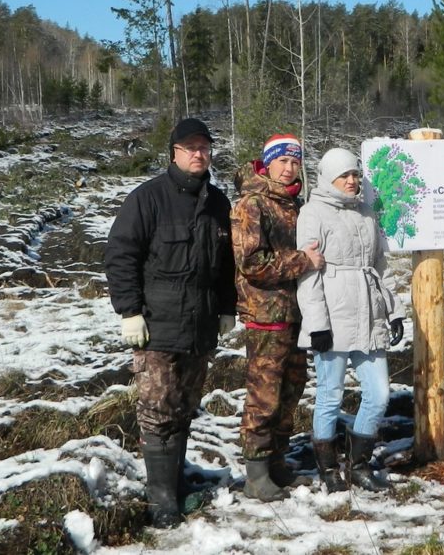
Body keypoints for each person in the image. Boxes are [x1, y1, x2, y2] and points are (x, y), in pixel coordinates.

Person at [104, 117, 238, 528]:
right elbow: (120, 255)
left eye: (204, 147)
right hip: (157, 325)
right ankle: (161, 498)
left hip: (199, 326)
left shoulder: (217, 202)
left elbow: (225, 265)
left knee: (183, 408)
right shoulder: (147, 199)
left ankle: (176, 485)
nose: (199, 153)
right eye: (190, 147)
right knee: (157, 410)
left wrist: (227, 309)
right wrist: (129, 311)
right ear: (174, 153)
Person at [296, 147, 405, 492]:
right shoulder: (312, 213)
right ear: (329, 178)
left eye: (355, 174)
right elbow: (308, 276)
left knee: (379, 394)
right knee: (330, 395)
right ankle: (329, 470)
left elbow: (380, 267)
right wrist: (317, 325)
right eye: (345, 175)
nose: (352, 180)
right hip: (333, 316)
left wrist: (394, 309)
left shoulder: (367, 214)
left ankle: (358, 465)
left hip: (369, 314)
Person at [232, 134, 323, 501]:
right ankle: (255, 474)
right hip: (266, 315)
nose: (289, 168)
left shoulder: (295, 204)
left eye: (294, 161)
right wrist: (303, 261)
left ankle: (278, 463)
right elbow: (251, 263)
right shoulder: (251, 204)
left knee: (291, 390)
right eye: (282, 161)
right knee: (264, 395)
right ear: (267, 163)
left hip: (298, 313)